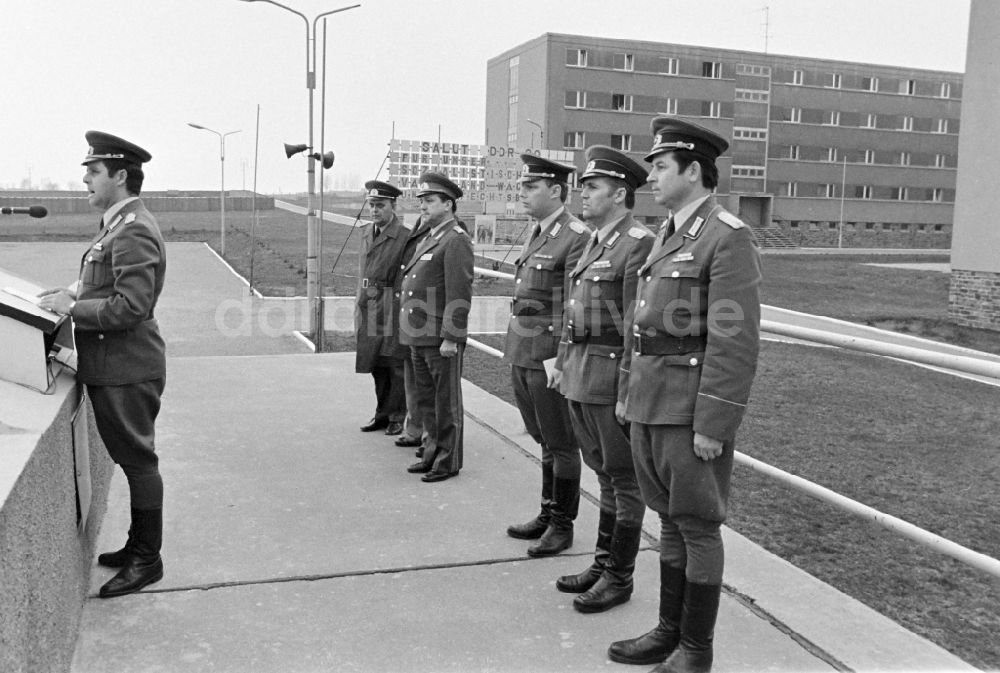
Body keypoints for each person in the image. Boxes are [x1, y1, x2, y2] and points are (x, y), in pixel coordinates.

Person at [607, 118, 761, 673]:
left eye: (661, 166)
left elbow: (734, 339)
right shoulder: (671, 234)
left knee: (696, 524)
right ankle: (670, 632)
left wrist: (714, 423)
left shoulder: (726, 236)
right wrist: (626, 391)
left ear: (694, 171)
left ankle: (697, 650)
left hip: (688, 405)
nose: (650, 176)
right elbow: (637, 325)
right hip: (650, 399)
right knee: (667, 519)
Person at [39, 131, 167, 599]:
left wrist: (72, 309)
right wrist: (72, 292)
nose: (86, 181)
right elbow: (104, 282)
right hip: (115, 365)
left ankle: (147, 560)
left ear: (120, 176)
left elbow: (131, 306)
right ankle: (138, 545)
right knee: (132, 458)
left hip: (127, 368)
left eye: (93, 173)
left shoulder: (133, 227)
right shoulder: (118, 223)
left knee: (138, 461)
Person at [551, 146, 654, 613]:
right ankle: (602, 561)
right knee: (604, 475)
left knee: (623, 480)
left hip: (610, 376)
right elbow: (573, 312)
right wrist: (561, 362)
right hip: (580, 372)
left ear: (619, 193)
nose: (583, 195)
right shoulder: (596, 240)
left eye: (592, 188)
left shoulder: (637, 243)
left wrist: (628, 389)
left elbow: (637, 324)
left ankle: (619, 576)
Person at [504, 154, 588, 558]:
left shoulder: (575, 236)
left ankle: (561, 526)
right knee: (543, 440)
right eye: (522, 186)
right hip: (523, 349)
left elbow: (576, 306)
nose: (522, 193)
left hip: (549, 356)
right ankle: (547, 511)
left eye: (530, 187)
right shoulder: (539, 232)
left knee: (561, 443)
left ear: (556, 191)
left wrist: (562, 363)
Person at [398, 172, 473, 483]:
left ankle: (447, 461)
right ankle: (431, 453)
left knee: (446, 403)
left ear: (448, 204)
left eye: (430, 201)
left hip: (440, 338)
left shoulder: (455, 240)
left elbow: (459, 292)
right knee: (427, 400)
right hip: (418, 334)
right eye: (422, 202)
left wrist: (452, 337)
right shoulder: (430, 237)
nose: (424, 207)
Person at [356, 180, 409, 437]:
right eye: (372, 205)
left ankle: (398, 416)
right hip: (371, 304)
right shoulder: (366, 232)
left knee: (395, 364)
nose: (375, 210)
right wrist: (359, 302)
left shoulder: (405, 236)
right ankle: (382, 413)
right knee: (375, 362)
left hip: (393, 304)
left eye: (380, 205)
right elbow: (362, 272)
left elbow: (406, 276)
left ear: (393, 206)